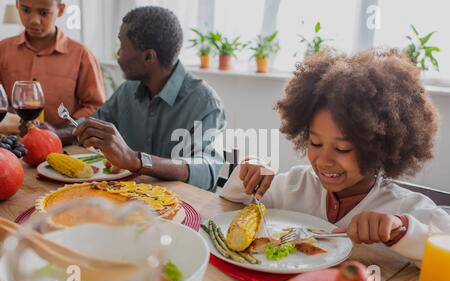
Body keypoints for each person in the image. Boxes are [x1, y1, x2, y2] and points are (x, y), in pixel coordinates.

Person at [221, 49, 450, 262]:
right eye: (315, 142)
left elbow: (444, 239)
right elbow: (231, 204)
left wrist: (400, 229)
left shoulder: (402, 206)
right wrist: (248, 173)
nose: (323, 160)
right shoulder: (295, 185)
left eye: (342, 149)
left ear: (380, 149)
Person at [57, 6, 226, 191]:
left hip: (184, 210)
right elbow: (94, 123)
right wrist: (53, 135)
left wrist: (135, 159)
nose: (118, 55)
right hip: (130, 202)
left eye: (122, 46)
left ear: (148, 57)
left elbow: (206, 171)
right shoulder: (128, 91)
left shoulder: (206, 104)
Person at [0, 0, 105, 128]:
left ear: (60, 10)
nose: (34, 20)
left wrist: (64, 133)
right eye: (26, 10)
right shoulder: (3, 50)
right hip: (10, 142)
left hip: (66, 144)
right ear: (17, 5)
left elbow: (95, 106)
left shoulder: (81, 55)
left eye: (44, 13)